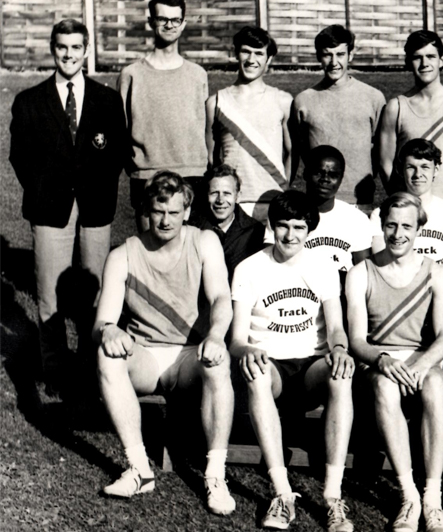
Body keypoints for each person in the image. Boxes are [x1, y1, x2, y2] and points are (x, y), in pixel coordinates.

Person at [93, 172, 236, 515]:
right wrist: (108, 331)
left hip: (190, 355)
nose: (165, 220)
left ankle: (215, 475)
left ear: (187, 211)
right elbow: (103, 320)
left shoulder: (204, 241)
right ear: (146, 210)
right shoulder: (123, 254)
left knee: (219, 361)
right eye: (158, 212)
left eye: (174, 212)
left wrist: (216, 335)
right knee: (106, 355)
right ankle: (139, 468)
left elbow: (221, 298)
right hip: (146, 356)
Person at [9, 19, 128, 394]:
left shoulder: (106, 99)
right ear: (52, 49)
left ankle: (98, 367)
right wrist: (45, 189)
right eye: (62, 47)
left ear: (87, 50)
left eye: (76, 47)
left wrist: (96, 185)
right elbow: (20, 157)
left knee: (97, 290)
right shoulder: (30, 100)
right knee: (49, 292)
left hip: (95, 205)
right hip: (50, 206)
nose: (69, 54)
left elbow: (117, 152)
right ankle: (55, 369)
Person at [230, 190, 355, 531]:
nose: (290, 235)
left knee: (341, 375)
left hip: (311, 365)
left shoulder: (323, 266)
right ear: (272, 226)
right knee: (256, 374)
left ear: (309, 229)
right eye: (283, 226)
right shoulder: (249, 268)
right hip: (270, 366)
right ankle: (282, 494)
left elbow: (336, 329)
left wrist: (341, 349)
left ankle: (332, 496)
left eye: (299, 227)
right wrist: (248, 352)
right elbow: (237, 341)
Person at [345, 192, 443, 532]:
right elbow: (357, 341)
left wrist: (421, 367)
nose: (398, 234)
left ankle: (432, 499)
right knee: (385, 386)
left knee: (435, 384)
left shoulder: (436, 272)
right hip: (378, 363)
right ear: (382, 226)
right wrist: (383, 361)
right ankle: (409, 497)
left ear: (420, 228)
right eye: (391, 225)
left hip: (421, 361)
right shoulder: (361, 272)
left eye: (406, 226)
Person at [118, 0, 208, 229]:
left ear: (183, 24)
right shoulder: (131, 74)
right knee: (150, 254)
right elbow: (122, 130)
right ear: (151, 22)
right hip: (147, 175)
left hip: (192, 174)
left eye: (175, 20)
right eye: (162, 19)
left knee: (188, 253)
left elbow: (204, 127)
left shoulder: (198, 75)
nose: (169, 25)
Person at [376, 30, 443, 208]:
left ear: (442, 61)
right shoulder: (396, 107)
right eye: (417, 57)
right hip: (409, 211)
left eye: (431, 56)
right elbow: (386, 165)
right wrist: (402, 201)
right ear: (408, 62)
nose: (424, 63)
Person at [292, 25, 386, 210]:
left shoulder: (373, 97)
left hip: (360, 200)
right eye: (327, 54)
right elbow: (301, 149)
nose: (334, 62)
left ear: (350, 55)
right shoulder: (303, 100)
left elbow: (381, 151)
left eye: (340, 54)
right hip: (318, 201)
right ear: (319, 56)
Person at [205, 26, 293, 224]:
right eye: (246, 51)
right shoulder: (216, 102)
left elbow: (291, 153)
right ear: (236, 53)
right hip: (232, 202)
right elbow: (210, 157)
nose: (252, 59)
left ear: (268, 59)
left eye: (259, 53)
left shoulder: (283, 101)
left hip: (272, 200)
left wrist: (282, 188)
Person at [267, 145, 371, 274]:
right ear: (305, 174)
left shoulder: (357, 219)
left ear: (341, 179)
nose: (325, 179)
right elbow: (269, 263)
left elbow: (364, 271)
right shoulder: (286, 212)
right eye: (318, 172)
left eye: (333, 175)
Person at [370, 139, 443, 271]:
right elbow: (382, 265)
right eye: (411, 167)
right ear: (400, 170)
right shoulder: (382, 214)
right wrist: (442, 270)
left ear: (436, 169)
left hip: (442, 289)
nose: (418, 174)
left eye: (425, 167)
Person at [186, 164, 265, 280]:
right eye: (214, 193)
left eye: (227, 193)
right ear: (206, 196)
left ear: (238, 197)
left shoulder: (254, 231)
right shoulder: (192, 228)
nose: (220, 200)